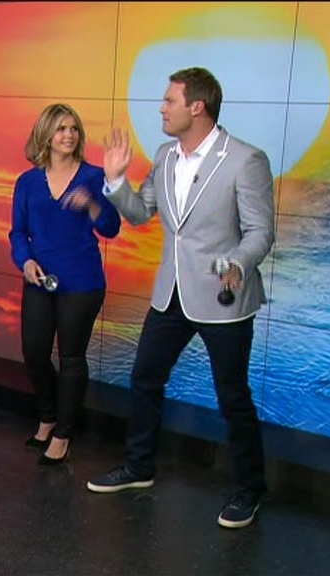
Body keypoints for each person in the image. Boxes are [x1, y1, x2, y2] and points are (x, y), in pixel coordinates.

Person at [86, 68, 275, 530]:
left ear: (197, 107)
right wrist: (115, 182)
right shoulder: (165, 156)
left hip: (223, 296)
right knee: (145, 378)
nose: (162, 108)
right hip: (170, 293)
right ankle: (139, 466)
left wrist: (235, 264)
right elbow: (140, 213)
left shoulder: (245, 159)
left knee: (232, 396)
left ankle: (249, 489)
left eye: (170, 101)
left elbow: (260, 232)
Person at [9, 104, 120, 466]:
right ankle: (48, 415)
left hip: (82, 282)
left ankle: (62, 435)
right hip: (40, 280)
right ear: (46, 134)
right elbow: (18, 232)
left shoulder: (94, 177)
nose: (68, 135)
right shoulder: (28, 182)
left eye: (73, 128)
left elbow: (111, 227)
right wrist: (25, 261)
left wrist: (91, 205)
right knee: (34, 353)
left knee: (71, 357)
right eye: (60, 129)